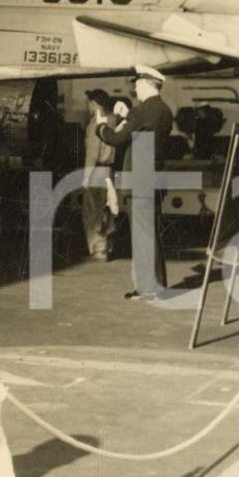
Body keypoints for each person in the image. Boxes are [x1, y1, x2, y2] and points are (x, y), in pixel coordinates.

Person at [97, 64, 173, 301]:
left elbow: (115, 138)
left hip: (138, 181)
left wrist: (102, 124)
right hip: (155, 178)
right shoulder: (165, 110)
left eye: (137, 85)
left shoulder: (141, 112)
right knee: (151, 233)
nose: (136, 89)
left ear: (145, 84)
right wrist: (127, 113)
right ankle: (157, 285)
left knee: (141, 235)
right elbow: (141, 132)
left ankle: (147, 289)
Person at [82, 88, 116, 262]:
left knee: (92, 211)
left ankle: (99, 250)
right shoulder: (112, 120)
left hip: (96, 171)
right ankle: (107, 247)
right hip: (109, 170)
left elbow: (92, 154)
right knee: (106, 208)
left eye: (89, 103)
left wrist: (86, 177)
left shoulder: (96, 124)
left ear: (95, 105)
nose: (87, 106)